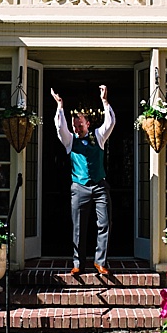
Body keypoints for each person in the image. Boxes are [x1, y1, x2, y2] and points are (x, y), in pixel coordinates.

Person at [52, 84, 116, 276]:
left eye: (80, 125)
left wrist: (105, 102)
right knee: (78, 226)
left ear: (88, 124)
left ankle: (100, 262)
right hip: (79, 187)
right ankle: (78, 263)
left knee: (104, 223)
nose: (77, 128)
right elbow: (59, 127)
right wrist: (60, 107)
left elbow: (110, 123)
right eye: (75, 126)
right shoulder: (70, 140)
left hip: (100, 185)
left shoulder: (98, 136)